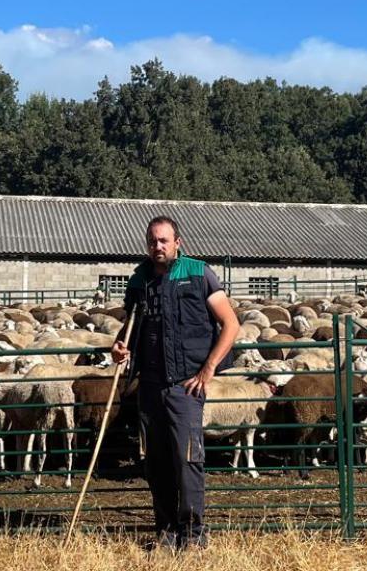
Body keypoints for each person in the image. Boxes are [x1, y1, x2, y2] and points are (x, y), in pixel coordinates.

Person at [111, 215, 240, 550]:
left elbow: (231, 324)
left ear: (177, 243)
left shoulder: (198, 273)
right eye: (153, 241)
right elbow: (129, 327)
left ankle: (194, 535)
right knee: (156, 462)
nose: (158, 246)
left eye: (164, 240)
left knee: (187, 461)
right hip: (150, 386)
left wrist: (208, 368)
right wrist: (120, 347)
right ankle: (166, 532)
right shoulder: (139, 280)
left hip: (185, 385)